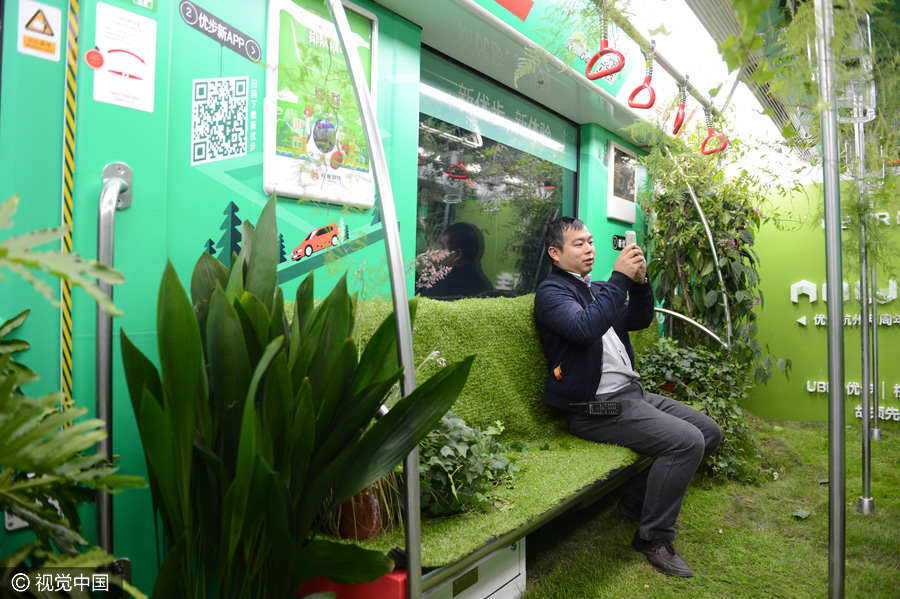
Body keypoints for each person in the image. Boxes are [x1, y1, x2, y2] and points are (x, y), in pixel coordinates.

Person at [533, 216, 721, 578]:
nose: (589, 249)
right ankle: (652, 538)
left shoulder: (597, 288)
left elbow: (638, 318)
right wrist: (618, 280)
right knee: (686, 442)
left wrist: (638, 283)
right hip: (594, 408)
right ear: (555, 253)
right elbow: (584, 328)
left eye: (590, 241)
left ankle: (636, 504)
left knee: (709, 432)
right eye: (579, 244)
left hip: (631, 395)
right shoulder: (551, 293)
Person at [419, 222, 494, 300]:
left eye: (442, 247)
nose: (437, 252)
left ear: (457, 255)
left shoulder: (445, 286)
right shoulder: (482, 283)